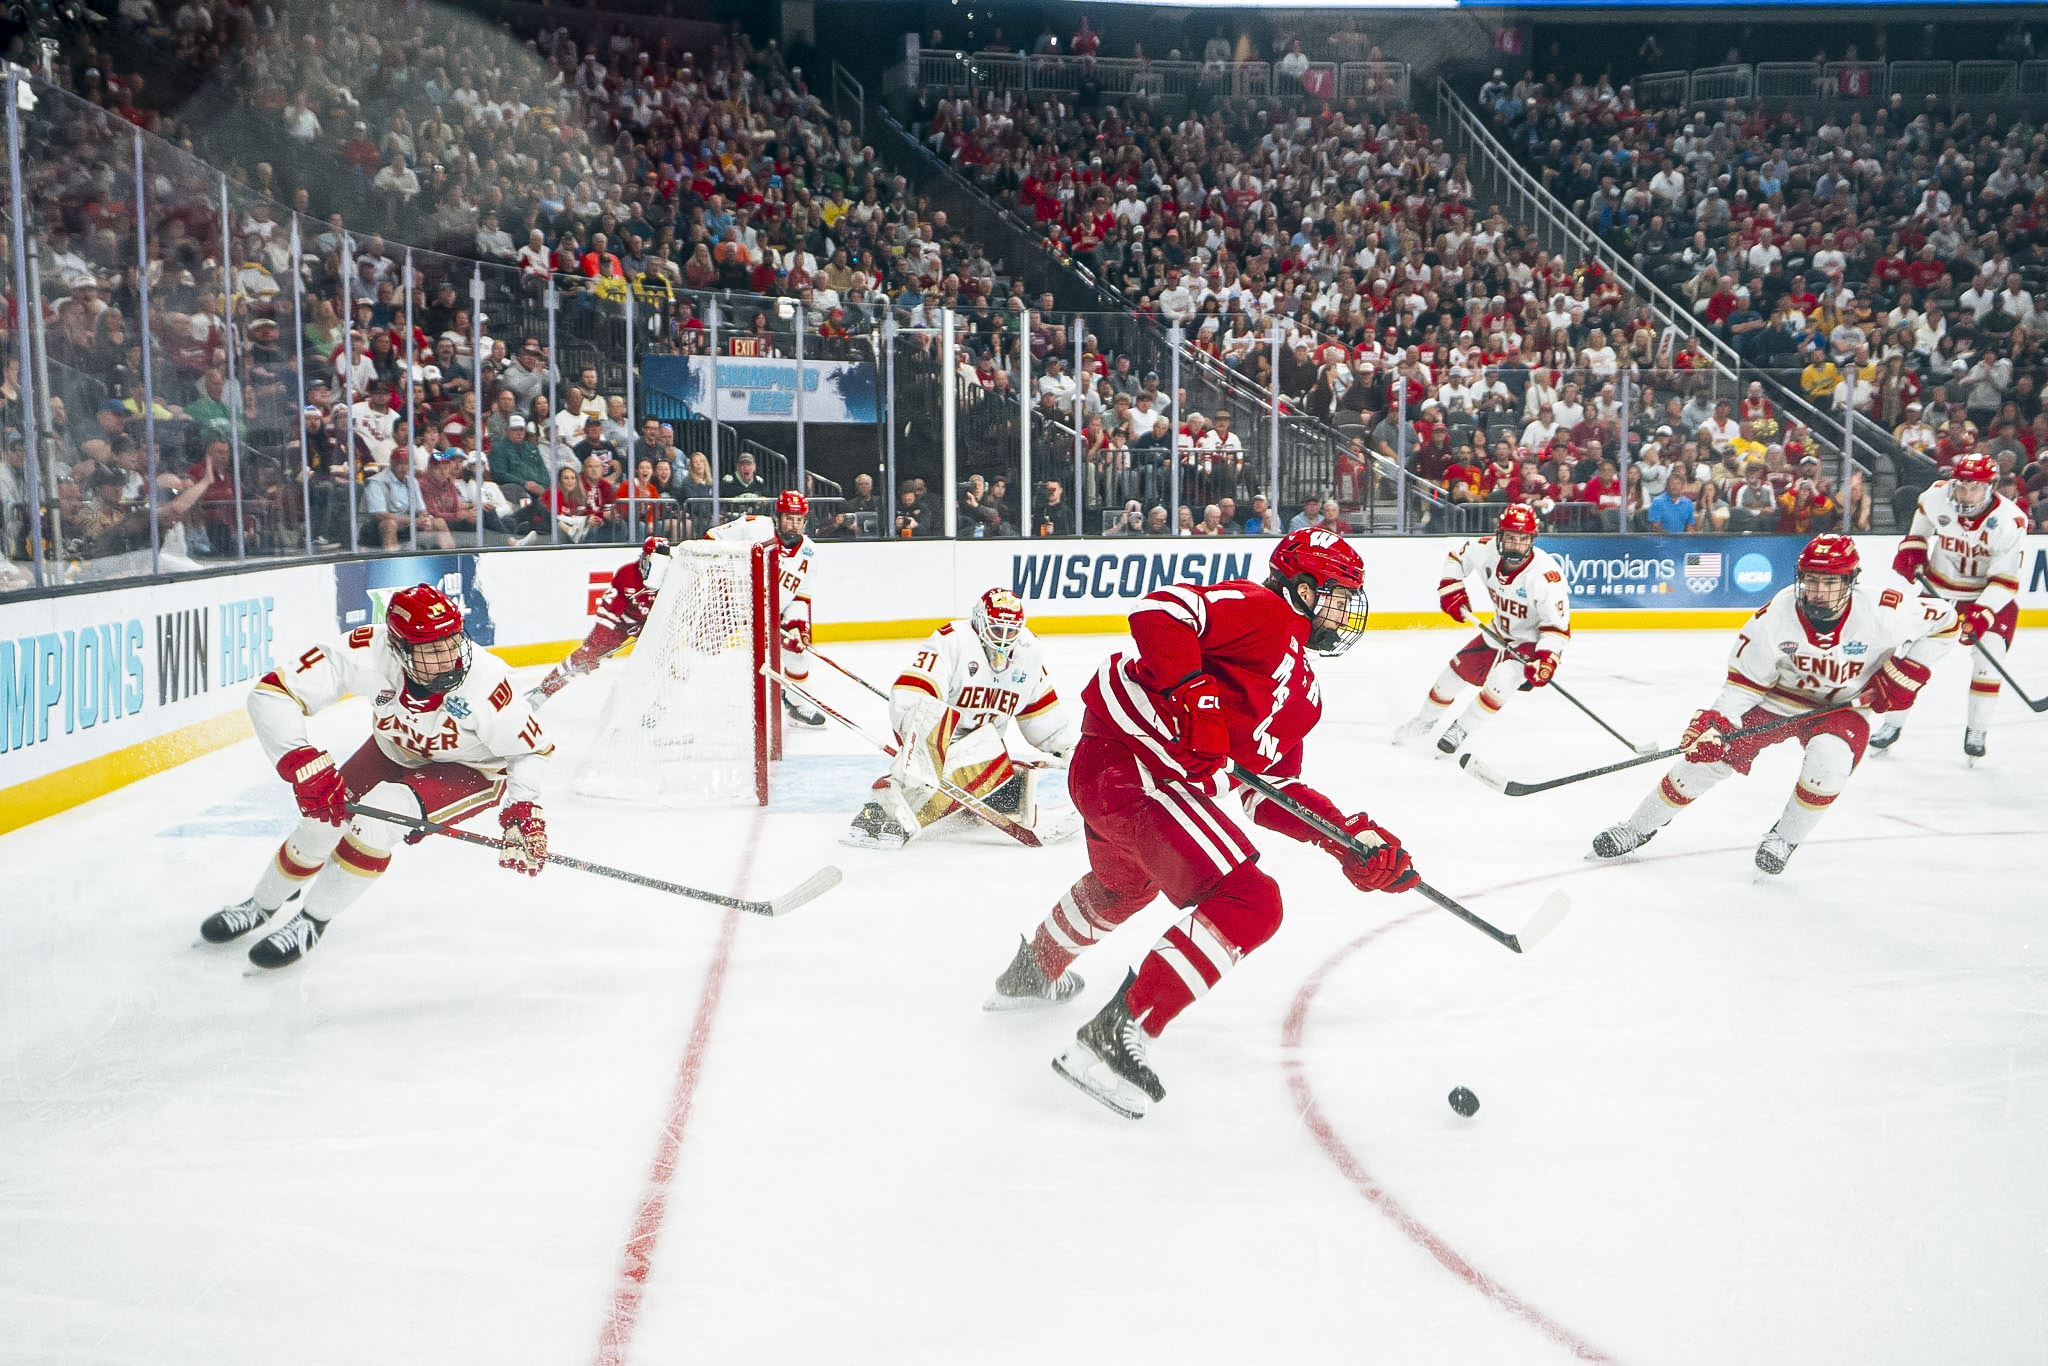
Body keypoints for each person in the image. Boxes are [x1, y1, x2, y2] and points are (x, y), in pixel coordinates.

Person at [983, 529, 1417, 1118]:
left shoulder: (1306, 697)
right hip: (1138, 766)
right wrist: (1195, 695)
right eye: (1339, 596)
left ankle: (1030, 975)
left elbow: (1271, 793)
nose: (1345, 614)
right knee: (1251, 900)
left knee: (1122, 887)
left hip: (1115, 780)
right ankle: (1116, 1037)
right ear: (1305, 588)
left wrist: (1346, 836)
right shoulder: (1266, 612)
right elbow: (1163, 611)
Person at [200, 585, 553, 969]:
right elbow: (272, 693)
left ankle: (311, 921)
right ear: (399, 648)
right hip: (393, 749)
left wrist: (523, 807)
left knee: (374, 822)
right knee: (321, 823)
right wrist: (297, 758)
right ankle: (261, 904)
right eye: (433, 650)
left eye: (454, 641)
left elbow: (530, 749)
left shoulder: (487, 683)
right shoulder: (366, 650)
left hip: (467, 770)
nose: (451, 658)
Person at [1591, 535, 1958, 876]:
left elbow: (1947, 622)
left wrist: (1909, 669)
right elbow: (1743, 684)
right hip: (1777, 699)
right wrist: (1718, 722)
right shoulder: (1773, 617)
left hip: (1844, 706)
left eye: (1830, 582)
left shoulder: (1886, 610)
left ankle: (1785, 837)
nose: (1818, 591)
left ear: (1851, 582)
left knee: (1829, 765)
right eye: (1811, 580)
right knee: (1705, 760)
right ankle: (1638, 828)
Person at [845, 589, 1076, 849]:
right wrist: (916, 742)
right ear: (979, 621)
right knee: (930, 713)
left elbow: (1042, 713)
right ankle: (887, 804)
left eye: (1010, 632)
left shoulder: (1029, 653)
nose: (1003, 640)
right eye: (996, 630)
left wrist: (1067, 748)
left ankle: (895, 809)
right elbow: (912, 694)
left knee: (999, 761)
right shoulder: (953, 640)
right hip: (939, 742)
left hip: (982, 751)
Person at [1877, 453, 2028, 760]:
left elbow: (2005, 581)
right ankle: (1892, 724)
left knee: (1989, 659)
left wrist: (1981, 613)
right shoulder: (1936, 497)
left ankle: (1977, 730)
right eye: (1962, 485)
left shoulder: (2011, 521)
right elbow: (1920, 526)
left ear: (1992, 486)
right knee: (1915, 658)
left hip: (1986, 596)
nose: (1966, 493)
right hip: (1939, 591)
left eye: (1975, 487)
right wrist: (1914, 550)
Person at [1393, 503, 1570, 756]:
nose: (1516, 545)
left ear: (1532, 540)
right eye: (1510, 537)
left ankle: (1460, 729)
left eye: (1523, 539)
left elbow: (1558, 630)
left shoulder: (1545, 576)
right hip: (1497, 633)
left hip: (1532, 643)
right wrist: (1451, 588)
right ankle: (1422, 723)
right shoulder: (1485, 549)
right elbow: (1456, 558)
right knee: (1449, 679)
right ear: (1500, 535)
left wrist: (1546, 660)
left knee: (1502, 680)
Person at [707, 489, 823, 726]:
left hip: (771, 614)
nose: (793, 524)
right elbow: (711, 538)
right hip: (731, 604)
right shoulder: (754, 527)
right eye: (789, 518)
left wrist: (797, 627)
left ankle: (795, 703)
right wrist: (719, 577)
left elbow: (801, 597)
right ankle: (661, 701)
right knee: (698, 648)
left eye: (799, 519)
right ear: (777, 516)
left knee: (797, 651)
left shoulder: (810, 553)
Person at [527, 537, 672, 707]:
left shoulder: (673, 575)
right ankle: (545, 691)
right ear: (644, 558)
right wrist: (594, 645)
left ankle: (658, 703)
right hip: (622, 624)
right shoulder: (627, 574)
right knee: (584, 656)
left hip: (653, 625)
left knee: (664, 661)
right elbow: (608, 615)